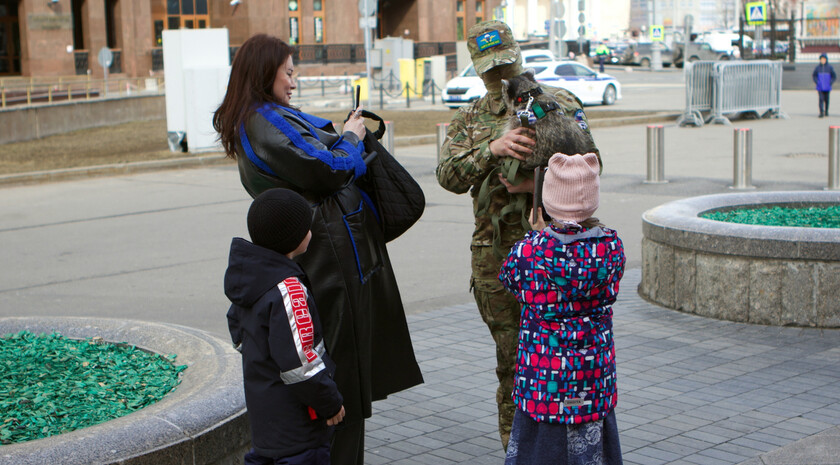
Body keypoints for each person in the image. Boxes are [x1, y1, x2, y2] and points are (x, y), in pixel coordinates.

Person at [213, 34, 423, 465]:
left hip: (335, 256)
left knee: (349, 377)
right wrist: (349, 136)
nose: (293, 81)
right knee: (339, 382)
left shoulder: (270, 116)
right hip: (328, 263)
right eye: (288, 71)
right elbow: (327, 169)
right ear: (264, 71)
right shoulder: (262, 121)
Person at [437, 20, 599, 450]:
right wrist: (492, 149)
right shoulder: (470, 118)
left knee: (566, 362)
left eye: (505, 64)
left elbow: (591, 167)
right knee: (512, 364)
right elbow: (447, 176)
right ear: (475, 67)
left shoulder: (558, 101)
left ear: (519, 54)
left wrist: (534, 187)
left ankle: (568, 447)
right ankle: (518, 450)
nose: (499, 76)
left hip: (559, 254)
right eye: (489, 68)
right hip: (498, 257)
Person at [499, 153, 625, 465]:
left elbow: (510, 278)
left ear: (547, 202)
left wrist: (537, 233)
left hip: (544, 383)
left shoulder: (531, 250)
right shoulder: (611, 249)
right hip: (592, 382)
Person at [225, 188, 345, 465]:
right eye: (307, 228)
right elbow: (300, 365)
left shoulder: (250, 279)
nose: (310, 232)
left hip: (266, 422)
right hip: (297, 428)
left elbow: (238, 330)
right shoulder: (288, 289)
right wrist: (330, 402)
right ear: (295, 239)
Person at [813, 53, 836, 118]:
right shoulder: (817, 68)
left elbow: (834, 76)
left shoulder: (829, 68)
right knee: (821, 99)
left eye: (824, 59)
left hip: (827, 87)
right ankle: (821, 112)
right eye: (821, 59)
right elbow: (814, 75)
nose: (822, 60)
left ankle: (826, 111)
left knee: (826, 100)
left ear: (826, 60)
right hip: (820, 87)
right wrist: (817, 82)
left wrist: (830, 82)